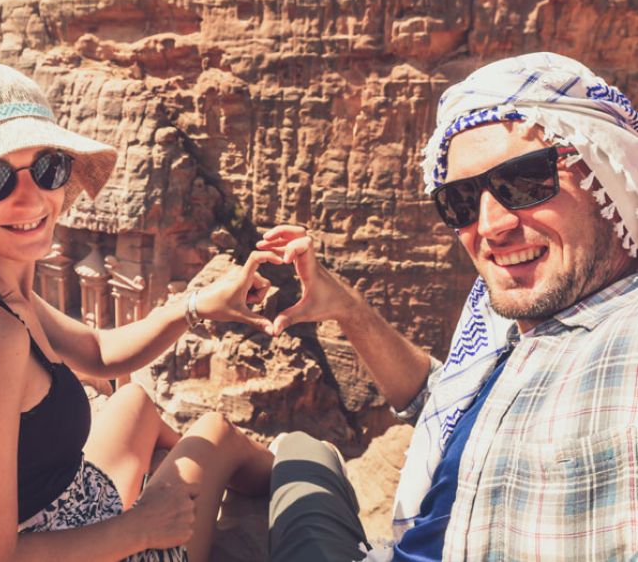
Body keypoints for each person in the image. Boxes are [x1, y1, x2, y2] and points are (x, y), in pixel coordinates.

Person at [0, 62, 276, 562]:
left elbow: (95, 352)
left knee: (134, 402)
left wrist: (198, 307)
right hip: (92, 548)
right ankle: (299, 486)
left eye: (48, 167)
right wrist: (141, 526)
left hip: (69, 505)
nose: (32, 198)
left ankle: (187, 491)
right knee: (216, 434)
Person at [263, 51, 638, 561]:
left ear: (606, 178)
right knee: (298, 449)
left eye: (526, 181)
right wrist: (347, 308)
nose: (490, 224)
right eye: (460, 200)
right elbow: (444, 403)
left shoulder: (621, 337)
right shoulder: (510, 316)